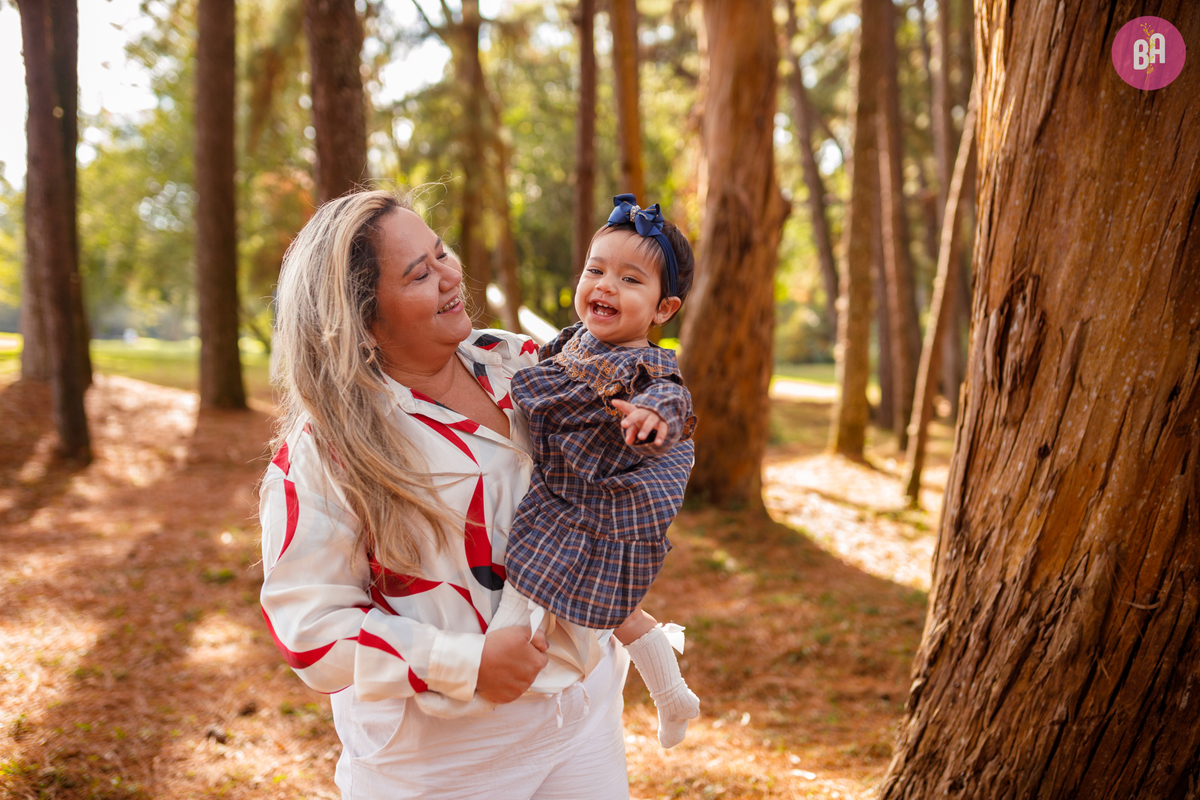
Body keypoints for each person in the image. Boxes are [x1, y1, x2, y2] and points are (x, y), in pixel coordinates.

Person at [260, 189, 633, 798]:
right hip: (442, 759)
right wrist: (466, 662)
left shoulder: (519, 360)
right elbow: (310, 628)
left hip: (582, 709)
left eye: (441, 253)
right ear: (363, 316)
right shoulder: (327, 448)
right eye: (418, 274)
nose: (449, 276)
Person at [415, 194, 701, 750]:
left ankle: (486, 682)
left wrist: (649, 416)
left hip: (593, 505)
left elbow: (674, 402)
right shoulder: (572, 343)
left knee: (532, 582)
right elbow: (528, 370)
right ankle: (672, 693)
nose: (605, 285)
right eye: (596, 269)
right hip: (559, 490)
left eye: (630, 279)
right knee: (616, 614)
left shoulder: (646, 365)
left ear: (663, 309)